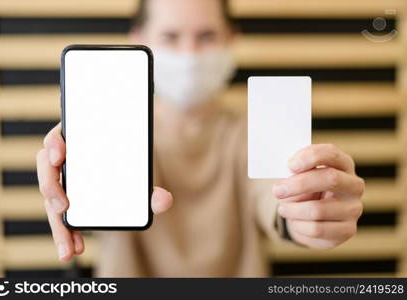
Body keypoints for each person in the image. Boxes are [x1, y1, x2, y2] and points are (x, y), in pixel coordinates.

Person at [36, 0, 364, 277]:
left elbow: (274, 194)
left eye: (206, 36)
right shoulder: (111, 138)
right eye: (170, 36)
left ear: (231, 39)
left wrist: (305, 214)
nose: (189, 53)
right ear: (138, 40)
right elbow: (97, 207)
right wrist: (76, 175)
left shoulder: (253, 132)